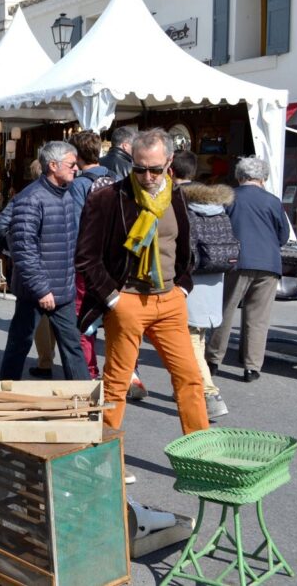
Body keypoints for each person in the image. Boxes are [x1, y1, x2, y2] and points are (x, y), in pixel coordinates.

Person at [76, 128, 208, 435]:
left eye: (154, 168)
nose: (146, 175)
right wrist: (112, 298)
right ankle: (103, 458)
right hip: (127, 300)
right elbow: (86, 256)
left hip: (170, 300)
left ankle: (200, 455)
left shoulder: (176, 195)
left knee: (190, 378)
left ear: (169, 162)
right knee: (116, 384)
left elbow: (183, 245)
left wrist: (183, 287)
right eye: (139, 168)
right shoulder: (108, 198)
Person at [0, 141, 89, 381]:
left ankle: (85, 405)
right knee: (20, 343)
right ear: (52, 165)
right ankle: (4, 397)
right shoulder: (31, 199)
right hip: (36, 290)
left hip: (63, 287)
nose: (75, 169)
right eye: (71, 164)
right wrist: (41, 288)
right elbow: (24, 249)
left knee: (72, 348)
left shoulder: (66, 193)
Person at [205, 156, 290, 382]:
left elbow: (218, 230)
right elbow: (283, 236)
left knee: (225, 310)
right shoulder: (273, 201)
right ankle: (252, 366)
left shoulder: (229, 198)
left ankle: (213, 360)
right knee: (258, 316)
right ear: (262, 178)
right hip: (269, 263)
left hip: (237, 262)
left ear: (239, 176)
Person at [171, 150, 231, 420]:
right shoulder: (216, 204)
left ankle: (210, 393)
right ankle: (187, 386)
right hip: (215, 274)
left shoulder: (176, 201)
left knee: (190, 337)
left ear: (171, 171)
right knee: (198, 334)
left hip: (188, 276)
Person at [0, 159, 57, 378]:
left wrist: (14, 249)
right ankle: (51, 363)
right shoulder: (64, 195)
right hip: (60, 269)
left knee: (30, 324)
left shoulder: (24, 196)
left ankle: (45, 362)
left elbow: (1, 226)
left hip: (31, 270)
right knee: (53, 319)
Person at [67, 132, 116, 380]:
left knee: (85, 321)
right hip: (116, 263)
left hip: (88, 264)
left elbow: (76, 227)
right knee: (116, 320)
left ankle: (90, 372)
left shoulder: (79, 185)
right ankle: (126, 371)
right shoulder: (115, 179)